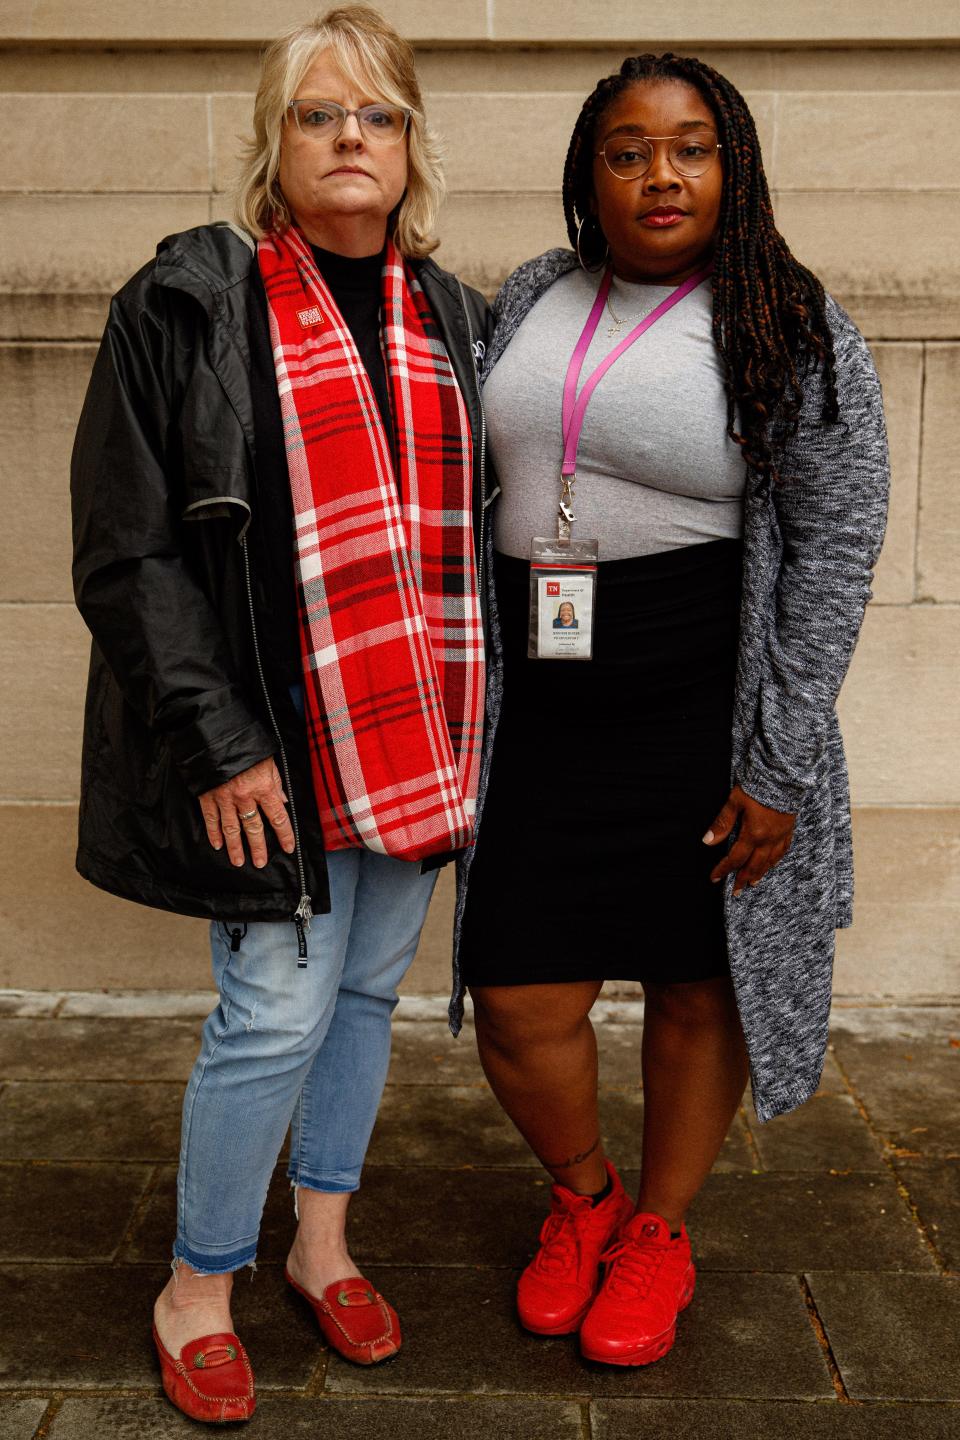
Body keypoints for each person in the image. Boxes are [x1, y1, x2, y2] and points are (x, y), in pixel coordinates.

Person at [70, 6, 495, 1423]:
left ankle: (319, 1242)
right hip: (264, 745)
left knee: (364, 994)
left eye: (376, 116)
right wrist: (220, 736)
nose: (350, 140)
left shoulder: (454, 315)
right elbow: (126, 551)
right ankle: (197, 1284)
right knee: (269, 1015)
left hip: (410, 730)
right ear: (276, 139)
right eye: (320, 116)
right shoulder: (188, 305)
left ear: (410, 140)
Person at [455, 53, 888, 1367]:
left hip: (708, 698)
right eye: (629, 148)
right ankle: (584, 1199)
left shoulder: (790, 323)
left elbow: (835, 548)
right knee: (520, 994)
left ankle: (661, 1229)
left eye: (692, 147)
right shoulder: (536, 292)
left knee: (698, 989)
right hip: (544, 701)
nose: (661, 173)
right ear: (590, 173)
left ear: (733, 167)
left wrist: (781, 762)